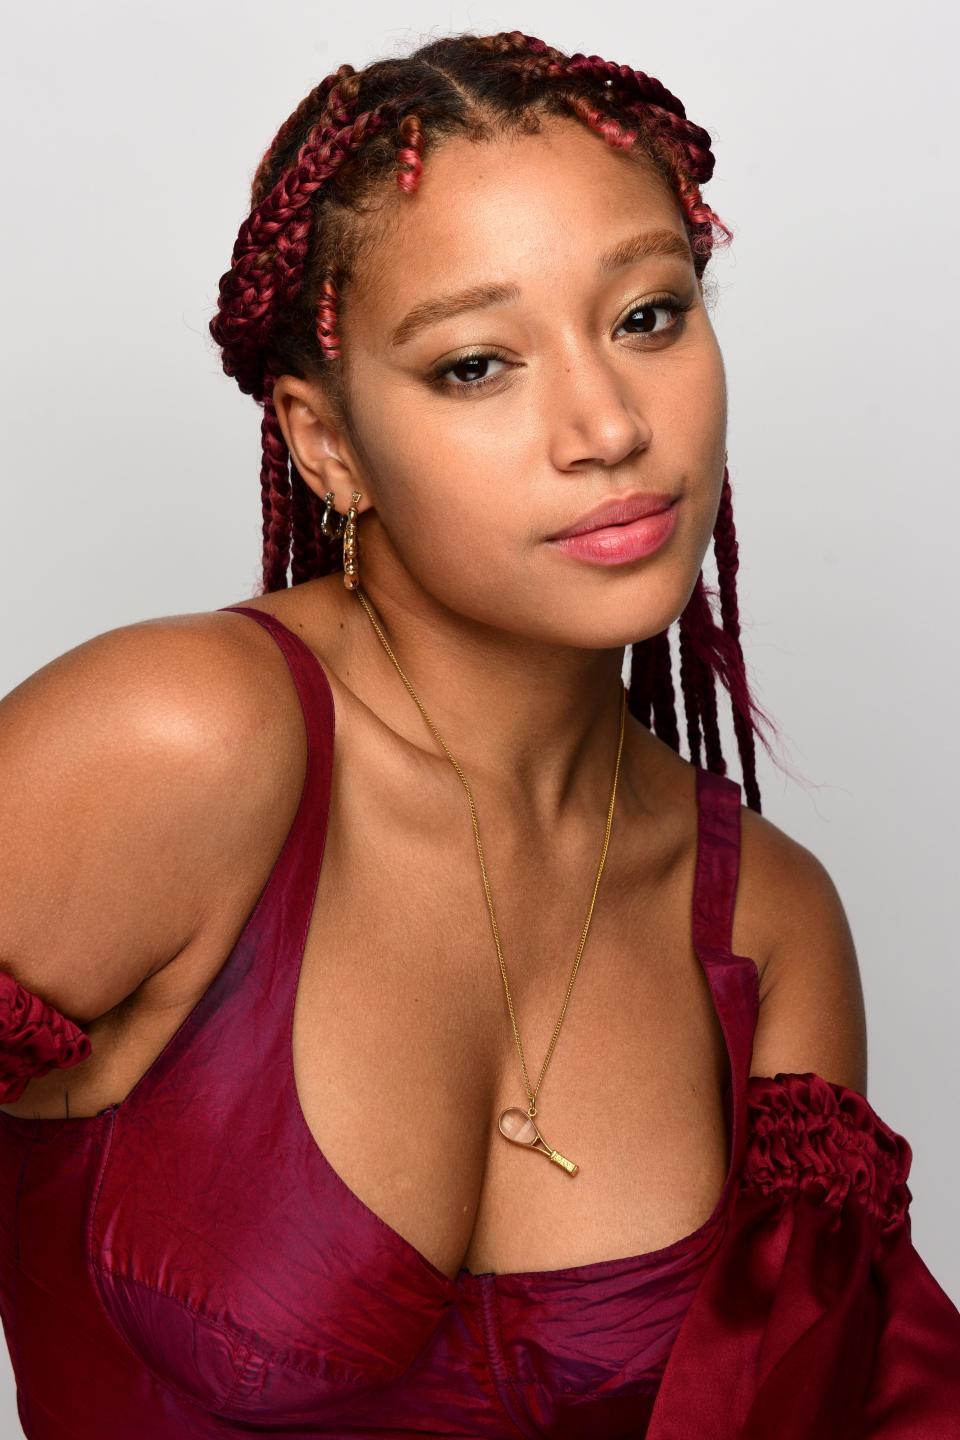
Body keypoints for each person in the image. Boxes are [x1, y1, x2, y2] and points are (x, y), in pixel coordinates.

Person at [0, 27, 957, 1440]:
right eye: (474, 365)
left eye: (648, 316)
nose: (607, 425)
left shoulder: (766, 925)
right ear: (326, 446)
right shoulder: (180, 747)